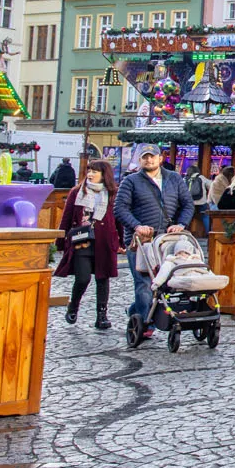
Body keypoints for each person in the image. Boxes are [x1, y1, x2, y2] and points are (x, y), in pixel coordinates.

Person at [114, 143, 194, 339]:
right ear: (140, 160)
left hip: (166, 240)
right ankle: (144, 323)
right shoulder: (130, 181)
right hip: (140, 240)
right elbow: (120, 208)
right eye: (145, 157)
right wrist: (136, 225)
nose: (149, 160)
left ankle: (136, 310)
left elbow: (187, 205)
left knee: (165, 283)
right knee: (144, 284)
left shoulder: (174, 178)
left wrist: (181, 224)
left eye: (152, 156)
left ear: (160, 158)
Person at [54, 160, 120, 330]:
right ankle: (73, 306)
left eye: (95, 171)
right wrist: (60, 242)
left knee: (102, 278)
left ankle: (102, 316)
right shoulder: (77, 192)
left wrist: (123, 241)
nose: (90, 174)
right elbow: (67, 218)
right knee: (83, 278)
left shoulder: (113, 193)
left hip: (105, 241)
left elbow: (118, 218)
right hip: (81, 241)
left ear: (104, 174)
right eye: (89, 170)